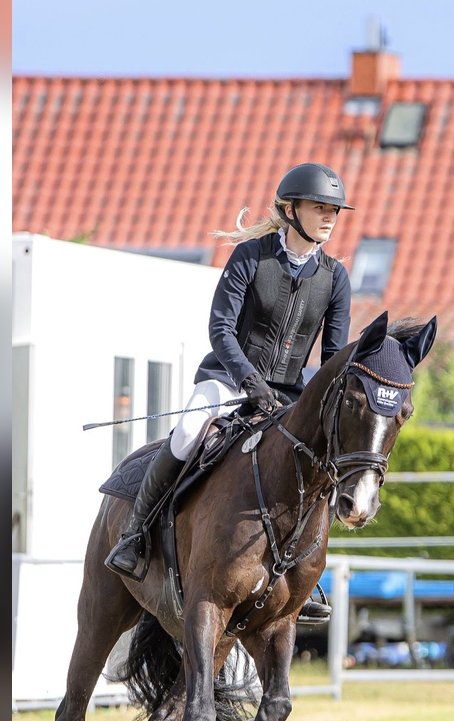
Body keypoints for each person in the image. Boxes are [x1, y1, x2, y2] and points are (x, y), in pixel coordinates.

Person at [105, 163, 354, 623]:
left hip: (289, 397)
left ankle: (306, 573)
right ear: (290, 209)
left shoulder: (335, 278)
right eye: (320, 208)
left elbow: (335, 354)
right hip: (227, 379)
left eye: (334, 210)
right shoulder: (250, 259)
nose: (329, 217)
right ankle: (135, 536)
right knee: (188, 431)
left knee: (322, 457)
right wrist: (250, 384)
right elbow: (221, 329)